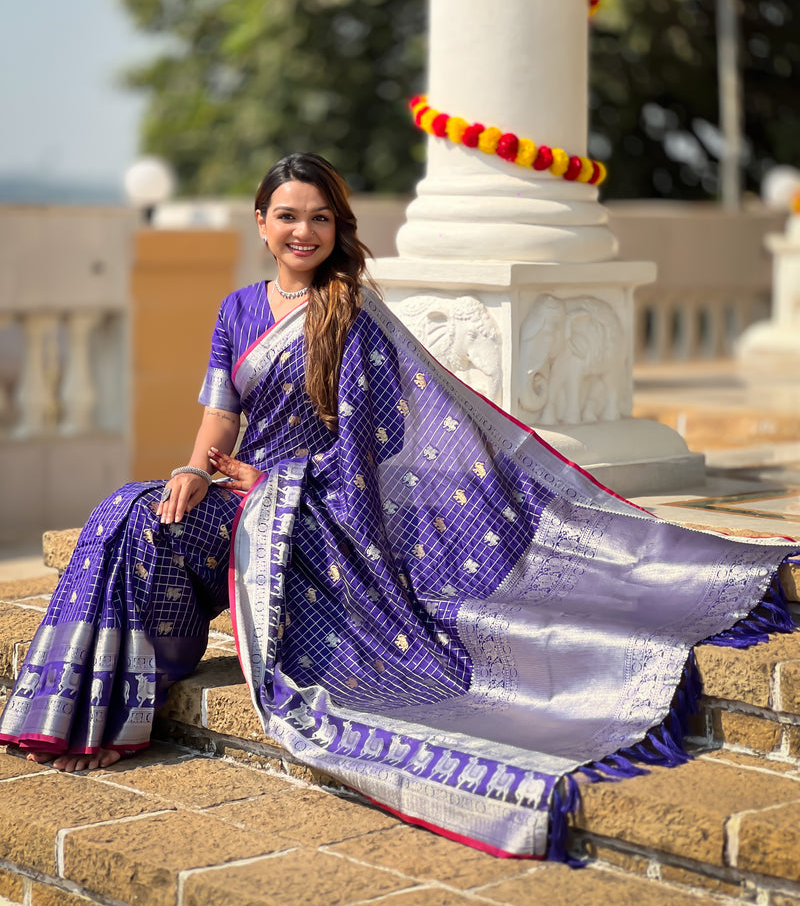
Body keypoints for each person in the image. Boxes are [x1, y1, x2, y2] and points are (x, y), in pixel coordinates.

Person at [1, 152, 796, 859]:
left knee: (146, 516)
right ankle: (101, 710)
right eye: (287, 216)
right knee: (132, 512)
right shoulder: (238, 309)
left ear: (337, 226)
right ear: (261, 222)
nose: (302, 231)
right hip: (242, 491)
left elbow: (370, 449)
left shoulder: (353, 310)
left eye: (319, 217)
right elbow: (220, 416)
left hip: (315, 511)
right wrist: (193, 469)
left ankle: (104, 718)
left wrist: (278, 484)